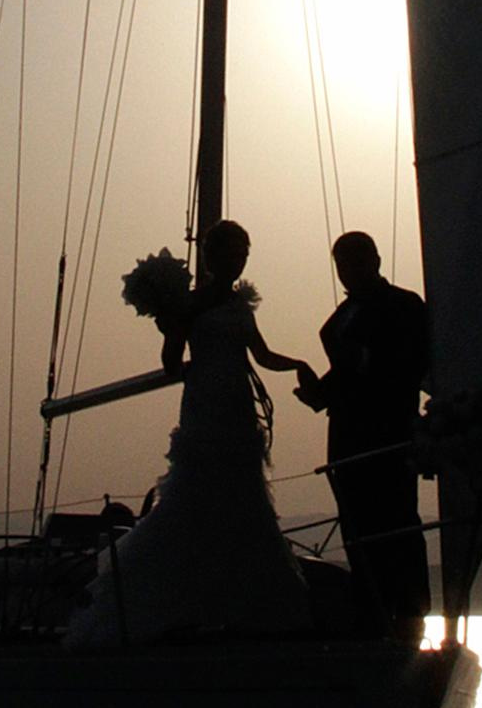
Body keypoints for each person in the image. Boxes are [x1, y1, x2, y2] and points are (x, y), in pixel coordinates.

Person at [68, 221, 314, 643]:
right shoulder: (192, 304)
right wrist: (172, 327)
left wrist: (299, 365)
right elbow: (170, 362)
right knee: (193, 495)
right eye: (229, 253)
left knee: (243, 498)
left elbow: (263, 355)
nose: (237, 260)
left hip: (238, 407)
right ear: (211, 258)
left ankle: (239, 605)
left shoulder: (241, 307)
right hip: (205, 405)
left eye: (243, 253)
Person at [294, 231, 431, 631]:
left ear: (374, 260)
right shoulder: (344, 314)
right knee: (357, 526)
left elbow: (407, 364)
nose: (347, 272)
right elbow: (346, 372)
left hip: (386, 434)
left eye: (354, 262)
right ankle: (372, 612)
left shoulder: (404, 305)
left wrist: (362, 360)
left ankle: (410, 614)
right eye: (341, 265)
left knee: (397, 522)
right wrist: (320, 392)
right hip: (347, 434)